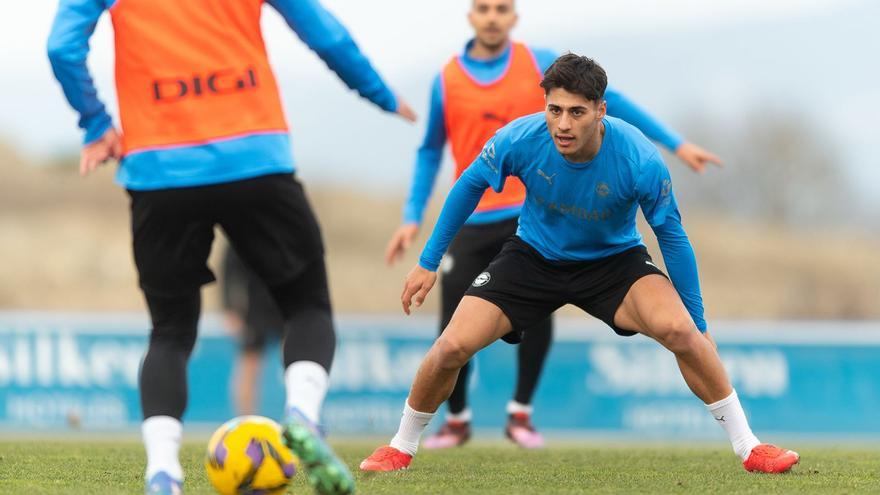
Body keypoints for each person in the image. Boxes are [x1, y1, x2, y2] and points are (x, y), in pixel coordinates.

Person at [361, 54, 799, 474]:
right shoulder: (521, 139)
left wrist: (700, 323)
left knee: (682, 332)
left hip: (614, 263)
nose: (563, 124)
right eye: (554, 110)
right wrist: (427, 261)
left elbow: (672, 237)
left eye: (577, 112)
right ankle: (401, 446)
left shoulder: (639, 159)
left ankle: (750, 447)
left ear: (600, 110)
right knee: (451, 346)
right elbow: (469, 185)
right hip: (531, 258)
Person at [47, 0, 416, 493]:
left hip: (160, 169)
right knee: (307, 308)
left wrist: (95, 123)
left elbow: (61, 47)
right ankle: (303, 415)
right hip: (254, 158)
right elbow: (325, 34)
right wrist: (379, 93)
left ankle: (163, 472)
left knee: (170, 332)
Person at [384, 0, 720, 449]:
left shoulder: (542, 64)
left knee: (568, 317)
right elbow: (436, 156)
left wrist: (675, 143)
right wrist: (416, 227)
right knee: (451, 336)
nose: (491, 16)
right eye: (483, 8)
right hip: (490, 226)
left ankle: (520, 413)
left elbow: (616, 105)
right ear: (471, 16)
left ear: (513, 17)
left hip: (552, 224)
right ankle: (443, 425)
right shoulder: (449, 80)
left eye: (501, 8)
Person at [222, 246, 285, 416]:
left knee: (296, 362)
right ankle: (246, 421)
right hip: (256, 310)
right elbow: (228, 271)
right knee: (249, 367)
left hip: (288, 306)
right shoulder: (242, 226)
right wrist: (230, 308)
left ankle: (299, 422)